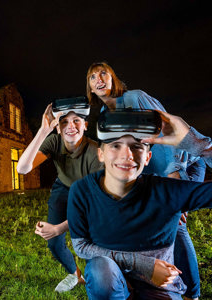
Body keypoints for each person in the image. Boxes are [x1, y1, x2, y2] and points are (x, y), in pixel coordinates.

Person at [67, 109, 212, 299]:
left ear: (147, 158)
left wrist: (194, 142)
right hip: (112, 281)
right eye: (115, 145)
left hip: (160, 288)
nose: (126, 154)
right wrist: (145, 265)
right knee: (100, 269)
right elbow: (81, 246)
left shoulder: (168, 191)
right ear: (101, 154)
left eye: (137, 146)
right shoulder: (81, 191)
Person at [86, 62, 205, 300]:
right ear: (89, 86)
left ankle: (193, 294)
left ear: (113, 78)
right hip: (152, 172)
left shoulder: (136, 98)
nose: (98, 79)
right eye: (92, 77)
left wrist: (175, 178)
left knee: (176, 225)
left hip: (184, 163)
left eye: (103, 74)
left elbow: (168, 129)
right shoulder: (103, 115)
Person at [16, 98, 103, 292]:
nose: (70, 126)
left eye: (76, 121)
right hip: (62, 188)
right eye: (64, 122)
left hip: (88, 194)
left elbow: (91, 208)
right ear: (58, 127)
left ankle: (99, 274)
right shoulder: (54, 141)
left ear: (85, 125)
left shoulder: (95, 153)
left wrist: (58, 228)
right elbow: (22, 168)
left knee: (92, 239)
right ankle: (75, 274)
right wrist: (43, 131)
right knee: (53, 242)